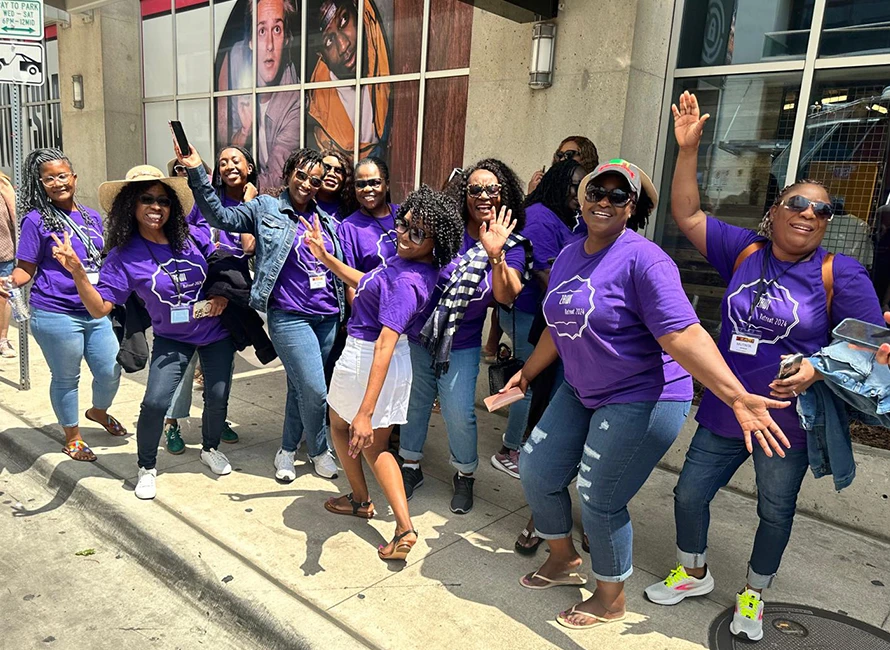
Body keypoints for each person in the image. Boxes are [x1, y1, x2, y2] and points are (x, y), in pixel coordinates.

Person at [503, 159, 790, 632]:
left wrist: (736, 396)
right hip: (582, 388)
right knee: (537, 469)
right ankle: (563, 558)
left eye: (619, 195)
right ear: (582, 198)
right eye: (596, 191)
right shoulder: (571, 255)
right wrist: (527, 374)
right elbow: (560, 323)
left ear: (632, 207)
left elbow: (683, 334)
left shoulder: (645, 259)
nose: (605, 201)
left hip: (643, 395)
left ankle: (610, 597)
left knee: (600, 496)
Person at [644, 92, 884, 643]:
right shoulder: (746, 251)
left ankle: (753, 592)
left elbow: (868, 346)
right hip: (727, 408)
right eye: (798, 203)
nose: (809, 214)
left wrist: (818, 369)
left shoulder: (840, 273)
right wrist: (688, 150)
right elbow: (687, 214)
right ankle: (694, 572)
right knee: (689, 494)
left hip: (786, 421)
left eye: (822, 210)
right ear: (774, 210)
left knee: (775, 511)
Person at [51, 165, 235, 498]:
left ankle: (209, 448)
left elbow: (222, 262)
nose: (156, 207)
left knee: (218, 397)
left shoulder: (191, 237)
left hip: (216, 332)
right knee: (154, 403)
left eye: (163, 201)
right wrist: (77, 272)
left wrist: (221, 291)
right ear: (131, 205)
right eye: (147, 199)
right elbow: (100, 308)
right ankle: (147, 467)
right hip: (173, 338)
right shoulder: (123, 256)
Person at [302, 185, 463, 560]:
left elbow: (384, 344)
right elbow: (366, 282)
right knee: (365, 439)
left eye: (418, 233)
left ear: (436, 243)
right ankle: (368, 505)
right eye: (404, 224)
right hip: (381, 362)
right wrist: (325, 256)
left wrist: (365, 412)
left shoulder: (408, 282)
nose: (404, 235)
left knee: (355, 434)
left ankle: (393, 521)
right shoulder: (406, 265)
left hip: (367, 360)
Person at [177, 144, 345, 483]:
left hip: (327, 316)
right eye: (301, 175)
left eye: (315, 180)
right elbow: (220, 217)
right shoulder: (265, 207)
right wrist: (197, 171)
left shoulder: (326, 220)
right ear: (288, 174)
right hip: (289, 314)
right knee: (315, 389)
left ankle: (287, 450)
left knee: (299, 386)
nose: (307, 184)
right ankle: (319, 449)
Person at [398, 159, 529, 515]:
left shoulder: (513, 243)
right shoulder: (447, 229)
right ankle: (410, 464)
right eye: (475, 189)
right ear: (464, 194)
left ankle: (465, 473)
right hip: (421, 334)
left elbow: (506, 295)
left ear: (503, 193)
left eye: (491, 189)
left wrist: (495, 255)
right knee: (416, 404)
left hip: (464, 342)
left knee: (459, 412)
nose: (484, 195)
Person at [0, 148, 125, 461]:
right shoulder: (35, 221)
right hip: (55, 312)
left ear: (74, 178)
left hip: (94, 309)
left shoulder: (91, 216)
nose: (57, 183)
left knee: (110, 370)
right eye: (49, 179)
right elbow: (25, 268)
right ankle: (72, 437)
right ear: (41, 184)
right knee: (67, 378)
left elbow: (101, 258)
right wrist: (8, 282)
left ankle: (98, 411)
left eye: (62, 176)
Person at [491, 159, 585, 481]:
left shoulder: (567, 217)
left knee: (543, 384)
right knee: (526, 384)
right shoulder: (541, 217)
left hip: (549, 319)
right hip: (527, 313)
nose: (578, 193)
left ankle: (529, 443)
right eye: (574, 186)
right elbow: (545, 274)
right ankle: (509, 450)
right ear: (558, 183)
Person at [163, 145, 260, 455]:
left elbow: (249, 247)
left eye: (236, 161)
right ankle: (172, 422)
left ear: (249, 168)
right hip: (198, 285)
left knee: (221, 363)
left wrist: (249, 202)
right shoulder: (205, 199)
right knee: (186, 361)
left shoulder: (259, 204)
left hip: (232, 290)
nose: (229, 166)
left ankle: (216, 420)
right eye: (223, 162)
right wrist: (208, 247)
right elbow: (186, 231)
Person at [307, 0, 391, 159]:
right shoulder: (320, 114)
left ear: (356, 7)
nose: (343, 45)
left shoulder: (383, 36)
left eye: (344, 20)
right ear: (321, 55)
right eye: (329, 41)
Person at [337, 157, 398, 299]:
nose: (367, 189)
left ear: (387, 184)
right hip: (374, 305)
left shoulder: (405, 215)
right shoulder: (349, 228)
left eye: (375, 183)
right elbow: (349, 283)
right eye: (360, 184)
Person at [527, 136, 599, 194]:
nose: (562, 159)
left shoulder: (594, 186)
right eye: (560, 155)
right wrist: (533, 193)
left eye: (569, 154)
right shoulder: (551, 187)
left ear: (585, 156)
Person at [0, 171, 17, 358]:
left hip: (3, 251)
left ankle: (2, 340)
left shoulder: (2, 183)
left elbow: (16, 217)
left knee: (3, 297)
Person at [315, 150, 356, 224]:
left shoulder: (352, 211)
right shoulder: (303, 205)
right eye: (326, 167)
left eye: (338, 170)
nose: (331, 174)